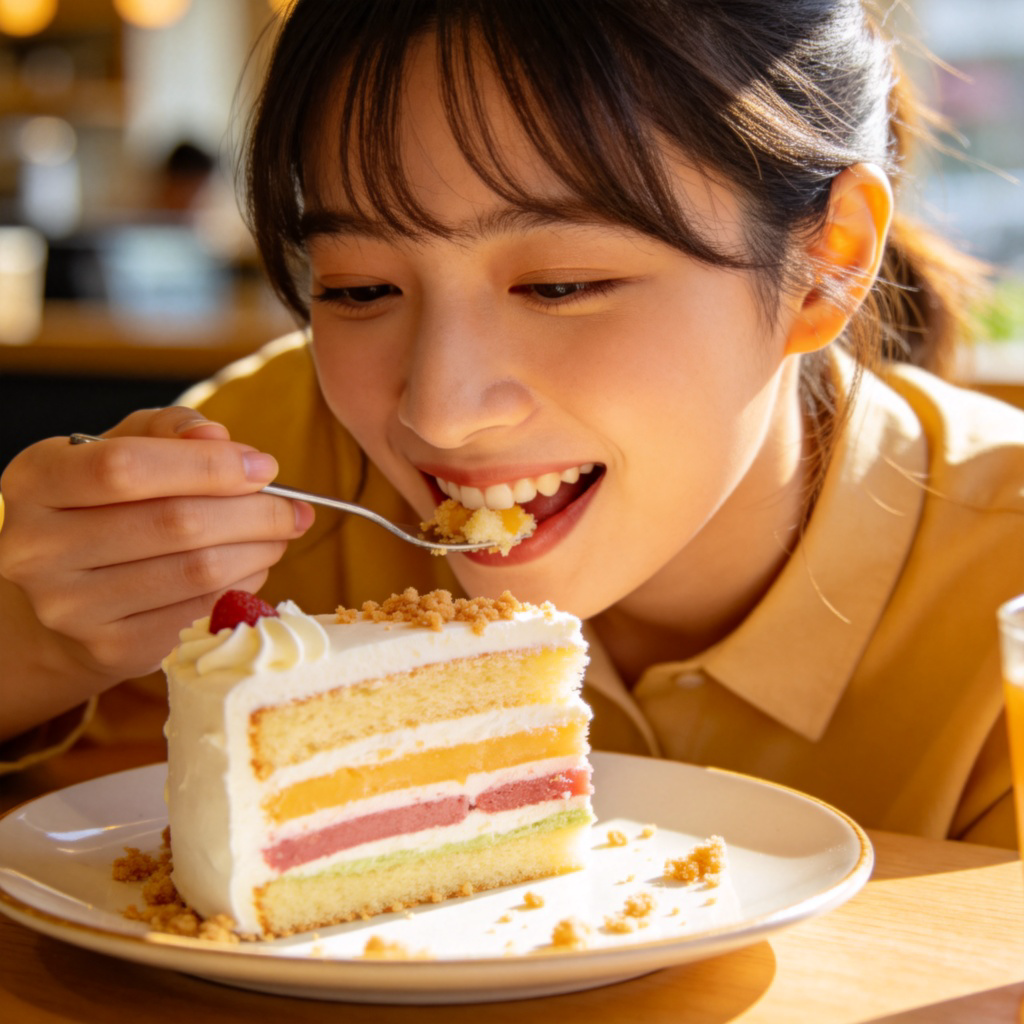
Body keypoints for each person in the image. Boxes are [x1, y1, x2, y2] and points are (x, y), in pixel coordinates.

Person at [0, 0, 1021, 847]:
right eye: (356, 289)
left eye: (560, 283)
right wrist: (33, 646)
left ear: (827, 261)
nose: (434, 409)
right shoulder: (264, 470)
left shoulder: (998, 589)